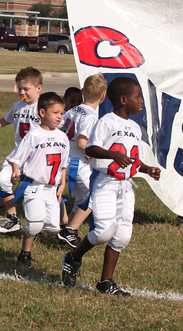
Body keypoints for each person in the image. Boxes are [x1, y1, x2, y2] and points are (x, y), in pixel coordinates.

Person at [61, 77, 161, 296]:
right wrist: (113, 155)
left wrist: (147, 169)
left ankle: (106, 281)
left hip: (126, 186)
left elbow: (134, 159)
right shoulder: (106, 121)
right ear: (124, 100)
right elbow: (91, 149)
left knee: (123, 236)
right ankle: (73, 257)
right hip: (105, 181)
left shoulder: (135, 127)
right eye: (138, 97)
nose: (141, 101)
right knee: (104, 232)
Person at [10, 92, 70, 268]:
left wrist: (63, 183)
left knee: (53, 228)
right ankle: (24, 254)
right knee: (35, 223)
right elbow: (16, 158)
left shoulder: (63, 136)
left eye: (61, 113)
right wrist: (15, 172)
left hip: (52, 189)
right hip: (34, 186)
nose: (60, 117)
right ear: (42, 113)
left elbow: (64, 164)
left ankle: (32, 231)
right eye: (55, 112)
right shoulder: (33, 135)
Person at [0, 66, 43, 234]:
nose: (22, 92)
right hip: (18, 155)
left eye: (26, 89)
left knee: (44, 192)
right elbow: (8, 118)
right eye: (20, 88)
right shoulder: (18, 105)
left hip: (39, 157)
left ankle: (64, 223)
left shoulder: (44, 106)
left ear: (39, 88)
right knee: (2, 181)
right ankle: (12, 218)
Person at [57, 73, 107, 248]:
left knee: (81, 198)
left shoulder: (72, 110)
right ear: (103, 96)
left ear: (82, 91)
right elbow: (82, 141)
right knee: (93, 198)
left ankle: (68, 231)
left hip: (65, 160)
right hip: (78, 163)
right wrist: (98, 153)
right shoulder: (90, 116)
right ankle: (70, 230)